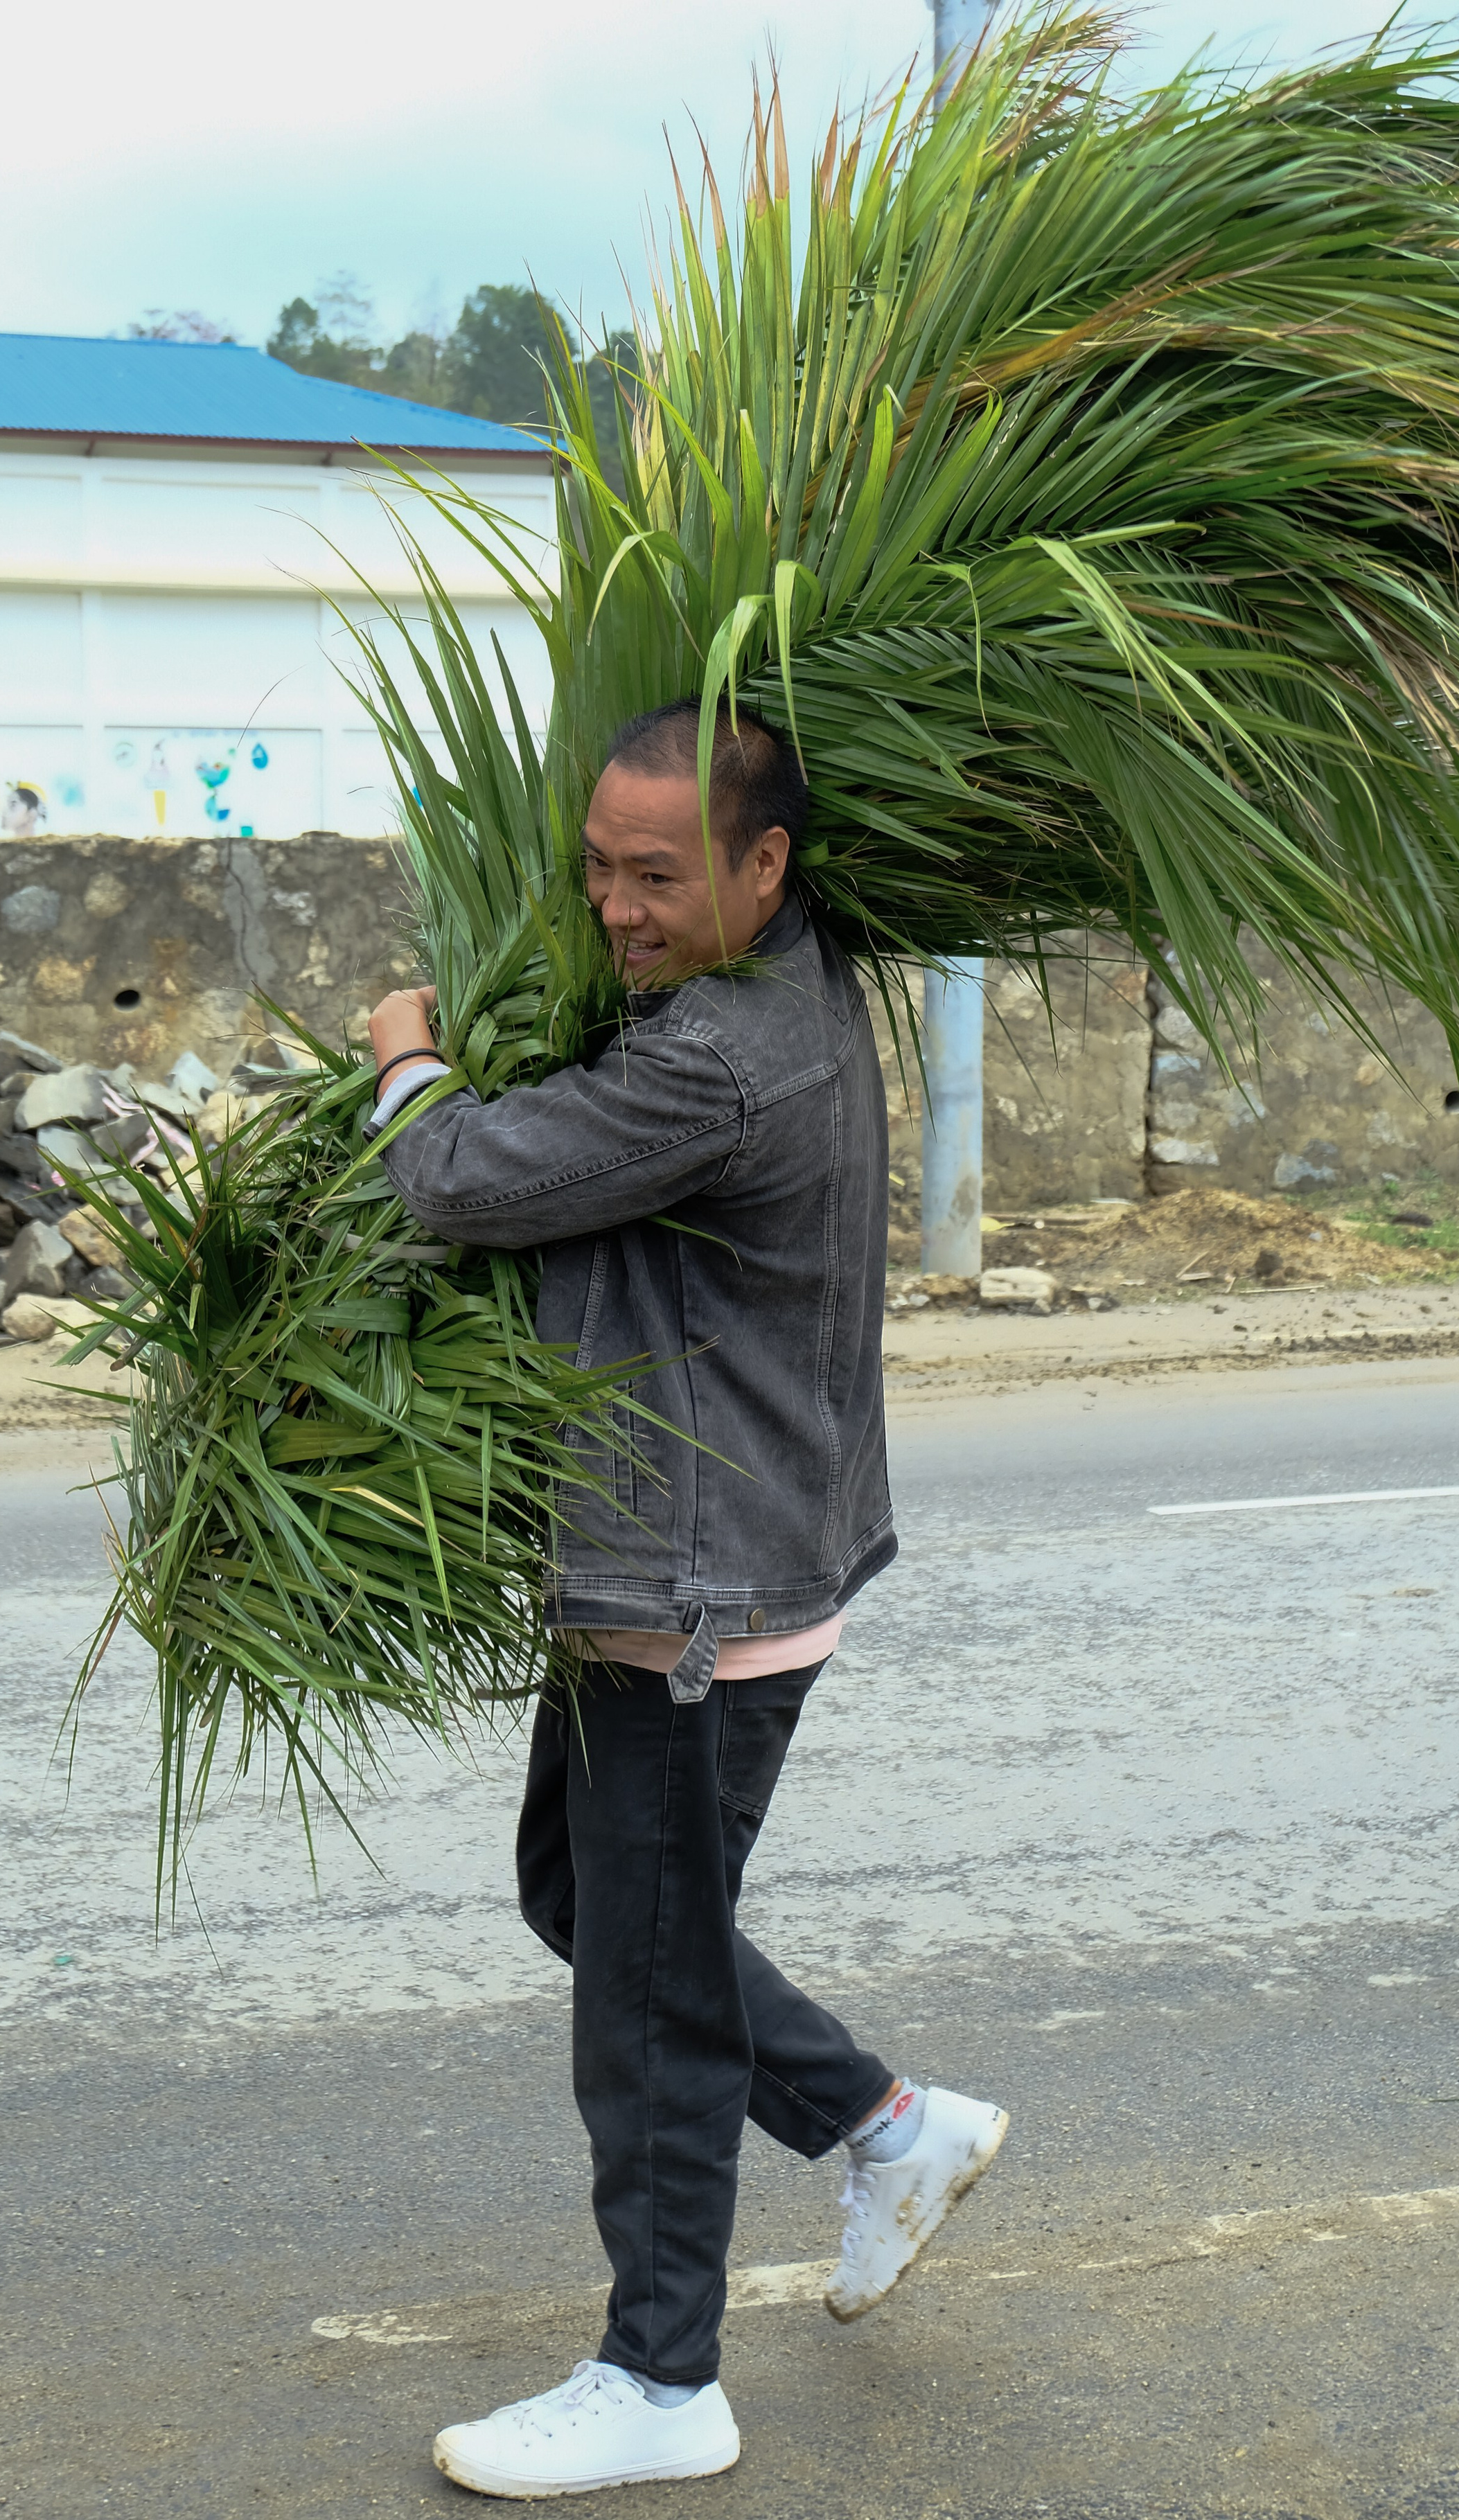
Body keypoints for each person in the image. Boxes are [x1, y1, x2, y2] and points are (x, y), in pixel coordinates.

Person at [364, 699, 1007, 2500]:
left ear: (766, 866)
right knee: (584, 1895)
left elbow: (464, 1181)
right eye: (599, 872)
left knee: (641, 1995)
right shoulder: (785, 978)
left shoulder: (724, 1057)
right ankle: (885, 2128)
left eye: (657, 877)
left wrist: (409, 1054)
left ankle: (663, 2379)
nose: (617, 910)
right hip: (690, 1553)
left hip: (694, 1597)